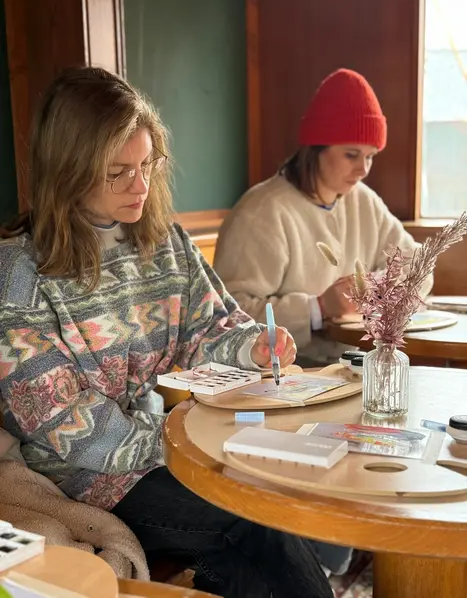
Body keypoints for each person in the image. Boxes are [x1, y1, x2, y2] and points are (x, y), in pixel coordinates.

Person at [0, 67, 337, 598]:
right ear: (68, 170)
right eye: (118, 172)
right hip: (81, 475)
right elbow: (63, 421)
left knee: (264, 522)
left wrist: (251, 345)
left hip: (165, 450)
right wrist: (179, 446)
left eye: (147, 164)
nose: (141, 186)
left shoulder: (166, 243)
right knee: (253, 521)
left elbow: (211, 325)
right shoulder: (20, 275)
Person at [214, 68, 433, 366]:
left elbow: (420, 266)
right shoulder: (261, 212)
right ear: (316, 148)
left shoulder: (363, 200)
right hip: (290, 375)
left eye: (370, 157)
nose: (363, 170)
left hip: (357, 366)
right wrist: (317, 308)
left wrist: (380, 290)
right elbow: (227, 316)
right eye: (352, 155)